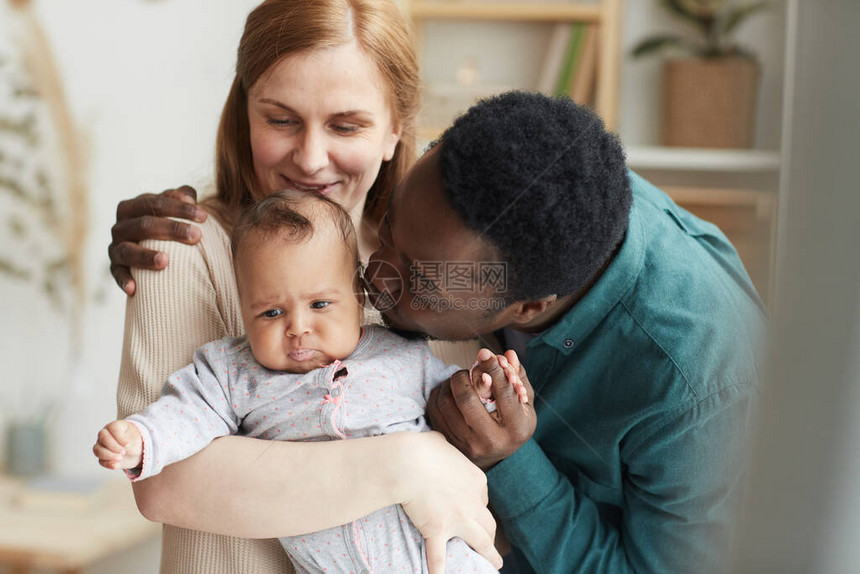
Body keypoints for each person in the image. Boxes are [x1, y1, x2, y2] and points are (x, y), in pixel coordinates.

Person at [106, 1, 500, 573]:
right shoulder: (182, 248)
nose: (311, 158)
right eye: (282, 119)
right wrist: (408, 465)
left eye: (346, 125)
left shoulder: (445, 269)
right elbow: (167, 483)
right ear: (245, 112)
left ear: (396, 128)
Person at [364, 91, 767, 573]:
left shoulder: (695, 393)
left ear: (529, 307)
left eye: (422, 284)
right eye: (389, 224)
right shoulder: (541, 180)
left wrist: (512, 463)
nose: (375, 275)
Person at [97, 191, 524, 573]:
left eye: (320, 304)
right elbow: (186, 413)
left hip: (440, 560)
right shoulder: (231, 371)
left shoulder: (401, 353)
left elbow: (456, 398)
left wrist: (486, 388)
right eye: (270, 312)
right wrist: (143, 437)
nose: (298, 327)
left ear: (358, 300)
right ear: (243, 310)